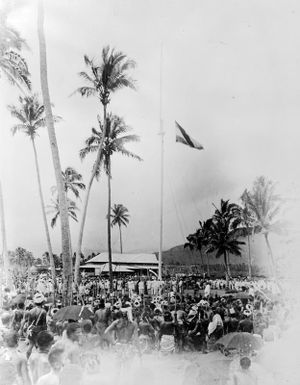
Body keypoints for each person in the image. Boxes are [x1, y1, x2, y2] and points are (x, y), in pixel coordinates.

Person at [26, 293, 47, 359]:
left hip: (32, 330)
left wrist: (29, 330)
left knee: (31, 345)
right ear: (42, 302)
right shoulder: (43, 311)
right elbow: (44, 324)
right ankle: (39, 360)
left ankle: (27, 359)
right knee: (40, 346)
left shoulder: (31, 311)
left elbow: (29, 323)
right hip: (40, 331)